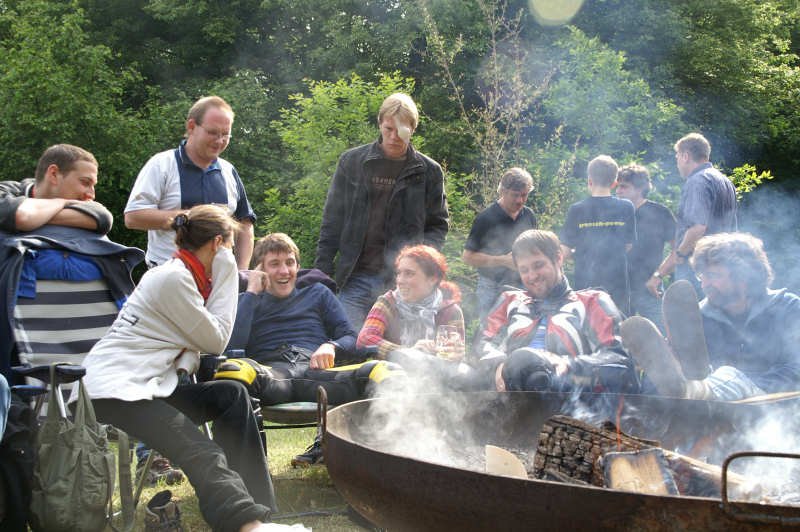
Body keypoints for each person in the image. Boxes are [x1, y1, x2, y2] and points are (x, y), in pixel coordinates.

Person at [76, 205, 279, 532]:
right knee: (200, 450)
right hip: (115, 393)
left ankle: (262, 509)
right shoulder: (174, 279)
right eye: (228, 248)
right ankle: (246, 524)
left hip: (148, 386)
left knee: (230, 394)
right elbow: (217, 340)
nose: (230, 256)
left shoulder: (182, 275)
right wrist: (229, 270)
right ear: (217, 244)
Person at [224, 233, 403, 466]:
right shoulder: (247, 300)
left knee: (386, 372)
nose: (284, 271)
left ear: (298, 267)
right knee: (233, 371)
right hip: (273, 375)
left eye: (290, 263)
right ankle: (249, 469)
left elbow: (351, 337)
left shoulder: (318, 293)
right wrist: (251, 292)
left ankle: (380, 462)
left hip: (317, 373)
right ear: (260, 269)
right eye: (274, 264)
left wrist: (331, 346)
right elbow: (233, 346)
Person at [315, 92, 449, 329]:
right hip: (355, 276)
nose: (394, 137)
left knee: (399, 347)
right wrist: (322, 272)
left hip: (402, 282)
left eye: (401, 131)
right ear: (379, 123)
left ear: (413, 129)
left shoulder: (429, 172)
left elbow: (437, 225)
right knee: (348, 341)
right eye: (388, 129)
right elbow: (332, 220)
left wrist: (423, 267)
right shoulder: (352, 162)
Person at [631, 233, 800, 401]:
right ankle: (696, 389)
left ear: (744, 276)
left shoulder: (787, 307)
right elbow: (664, 387)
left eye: (713, 276)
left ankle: (702, 390)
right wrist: (671, 364)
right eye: (701, 276)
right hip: (710, 409)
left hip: (777, 405)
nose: (704, 284)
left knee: (731, 376)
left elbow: (796, 368)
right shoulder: (696, 317)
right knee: (672, 380)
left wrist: (747, 385)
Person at [477, 229, 637, 395]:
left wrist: (568, 365)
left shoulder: (592, 302)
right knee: (461, 374)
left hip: (572, 400)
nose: (532, 276)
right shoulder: (509, 301)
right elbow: (482, 343)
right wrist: (498, 365)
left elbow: (619, 358)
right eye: (524, 270)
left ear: (558, 258)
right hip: (510, 397)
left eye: (538, 265)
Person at [125, 95, 256, 269]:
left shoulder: (228, 170)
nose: (220, 141)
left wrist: (241, 271)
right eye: (212, 132)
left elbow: (245, 224)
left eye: (226, 134)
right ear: (191, 126)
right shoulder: (162, 164)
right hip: (170, 274)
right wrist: (188, 218)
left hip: (220, 278)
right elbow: (133, 217)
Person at [646, 133, 737, 297]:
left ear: (685, 156)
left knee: (694, 312)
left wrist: (680, 254)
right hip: (723, 268)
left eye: (677, 157)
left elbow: (698, 228)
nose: (677, 163)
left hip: (699, 270)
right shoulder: (725, 181)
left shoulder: (697, 181)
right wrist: (660, 274)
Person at [358, 244, 466, 364]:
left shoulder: (450, 310)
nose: (400, 280)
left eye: (409, 274)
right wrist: (407, 353)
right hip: (389, 373)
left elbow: (454, 358)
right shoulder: (388, 302)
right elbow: (365, 339)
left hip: (433, 373)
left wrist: (456, 354)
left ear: (432, 279)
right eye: (399, 273)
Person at [560, 155, 636, 314]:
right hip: (617, 284)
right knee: (618, 323)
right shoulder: (626, 207)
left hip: (586, 285)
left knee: (589, 324)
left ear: (589, 181)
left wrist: (580, 253)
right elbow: (628, 245)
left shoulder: (577, 210)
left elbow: (564, 251)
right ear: (614, 183)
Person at [462, 167, 537, 321]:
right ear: (502, 191)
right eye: (515, 195)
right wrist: (503, 260)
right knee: (489, 330)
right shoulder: (485, 218)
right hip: (491, 287)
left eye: (524, 195)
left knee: (522, 328)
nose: (520, 200)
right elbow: (468, 257)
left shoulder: (529, 215)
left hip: (524, 284)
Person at [0, 144, 112, 235]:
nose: (92, 195)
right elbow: (23, 217)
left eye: (93, 185)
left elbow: (104, 218)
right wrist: (62, 202)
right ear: (54, 174)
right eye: (85, 182)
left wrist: (37, 217)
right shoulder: (5, 191)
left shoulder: (92, 207)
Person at [615, 164, 676, 331]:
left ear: (640, 188)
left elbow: (679, 250)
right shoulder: (612, 214)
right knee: (618, 339)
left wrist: (658, 276)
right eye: (617, 186)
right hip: (618, 289)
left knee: (663, 335)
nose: (618, 191)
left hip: (649, 287)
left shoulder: (660, 213)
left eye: (624, 186)